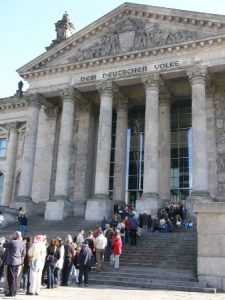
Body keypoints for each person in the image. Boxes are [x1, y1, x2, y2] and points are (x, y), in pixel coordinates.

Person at [3, 231, 26, 297]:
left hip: (12, 262)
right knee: (15, 277)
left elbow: (4, 245)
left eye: (14, 235)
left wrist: (10, 239)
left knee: (11, 278)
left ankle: (11, 293)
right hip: (18, 262)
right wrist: (21, 260)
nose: (13, 236)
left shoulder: (12, 242)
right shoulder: (22, 243)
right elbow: (24, 253)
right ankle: (14, 292)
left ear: (16, 235)